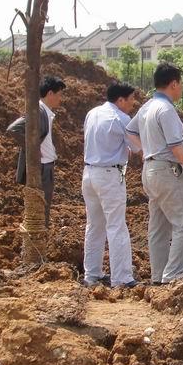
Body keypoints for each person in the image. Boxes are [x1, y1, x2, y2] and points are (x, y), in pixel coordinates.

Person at [126, 62, 183, 285]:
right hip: (168, 171)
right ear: (173, 84)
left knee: (159, 227)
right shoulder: (166, 110)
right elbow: (177, 148)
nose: (181, 88)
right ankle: (173, 276)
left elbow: (129, 131)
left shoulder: (146, 107)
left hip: (150, 171)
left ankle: (158, 277)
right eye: (180, 84)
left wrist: (144, 150)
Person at [81, 82, 141, 288]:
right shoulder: (122, 119)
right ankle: (122, 277)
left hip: (89, 173)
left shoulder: (93, 113)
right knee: (116, 226)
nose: (133, 104)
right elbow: (137, 147)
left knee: (94, 225)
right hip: (109, 175)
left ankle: (92, 274)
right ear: (121, 100)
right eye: (131, 99)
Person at [6, 75, 66, 228]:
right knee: (40, 212)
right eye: (59, 94)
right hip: (41, 169)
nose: (61, 98)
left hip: (47, 167)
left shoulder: (45, 112)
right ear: (50, 94)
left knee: (43, 209)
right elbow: (13, 129)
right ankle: (37, 244)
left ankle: (39, 240)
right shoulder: (38, 111)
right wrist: (33, 149)